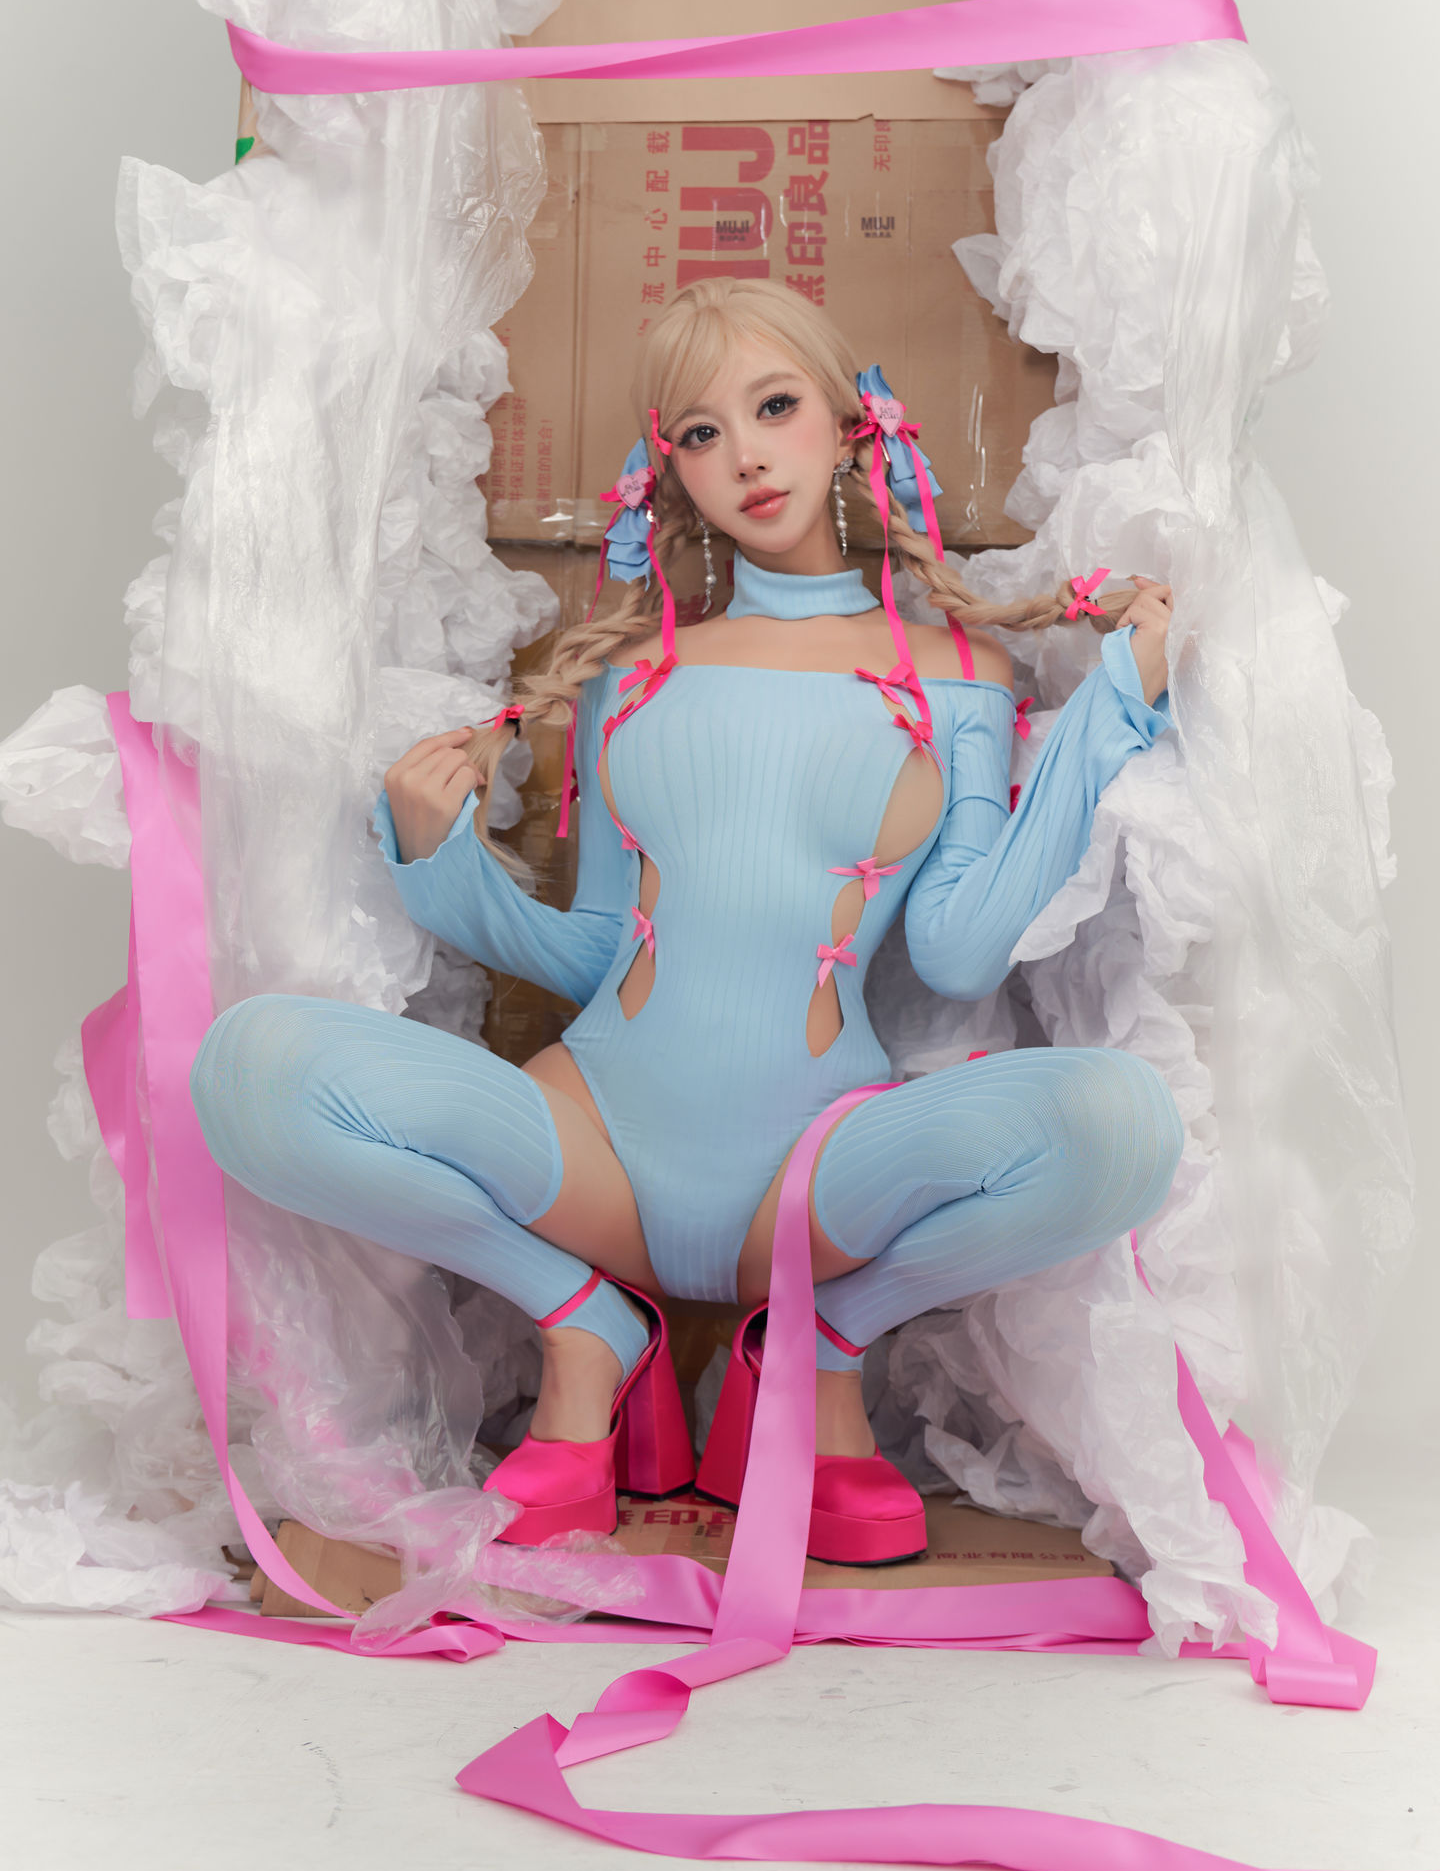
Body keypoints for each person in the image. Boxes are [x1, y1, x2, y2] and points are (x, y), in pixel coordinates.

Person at [189, 277, 1184, 1569]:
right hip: (593, 1145)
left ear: (852, 424)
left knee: (1125, 1128)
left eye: (774, 407)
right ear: (670, 473)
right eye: (702, 433)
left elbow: (956, 951)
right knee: (248, 1070)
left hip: (813, 1177)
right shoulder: (630, 678)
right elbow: (598, 950)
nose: (747, 457)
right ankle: (585, 1322)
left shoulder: (958, 676)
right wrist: (442, 863)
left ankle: (818, 1344)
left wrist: (1109, 715)